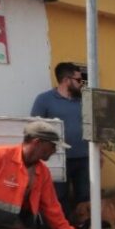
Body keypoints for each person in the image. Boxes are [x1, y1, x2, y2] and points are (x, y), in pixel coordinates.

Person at [31, 62, 88, 218]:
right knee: (58, 196)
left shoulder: (83, 101)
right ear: (66, 80)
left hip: (84, 157)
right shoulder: (44, 100)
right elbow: (35, 127)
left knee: (84, 196)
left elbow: (92, 126)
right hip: (57, 158)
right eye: (78, 80)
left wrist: (100, 152)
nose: (81, 83)